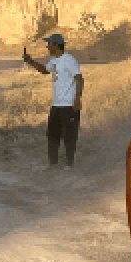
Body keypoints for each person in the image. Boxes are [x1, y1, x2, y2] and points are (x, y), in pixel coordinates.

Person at [21, 33, 84, 168]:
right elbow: (44, 70)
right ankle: (53, 164)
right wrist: (30, 61)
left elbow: (79, 78)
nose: (47, 46)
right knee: (52, 136)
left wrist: (77, 99)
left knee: (69, 137)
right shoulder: (54, 60)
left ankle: (69, 164)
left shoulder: (69, 60)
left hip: (69, 106)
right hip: (56, 105)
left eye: (49, 44)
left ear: (56, 45)